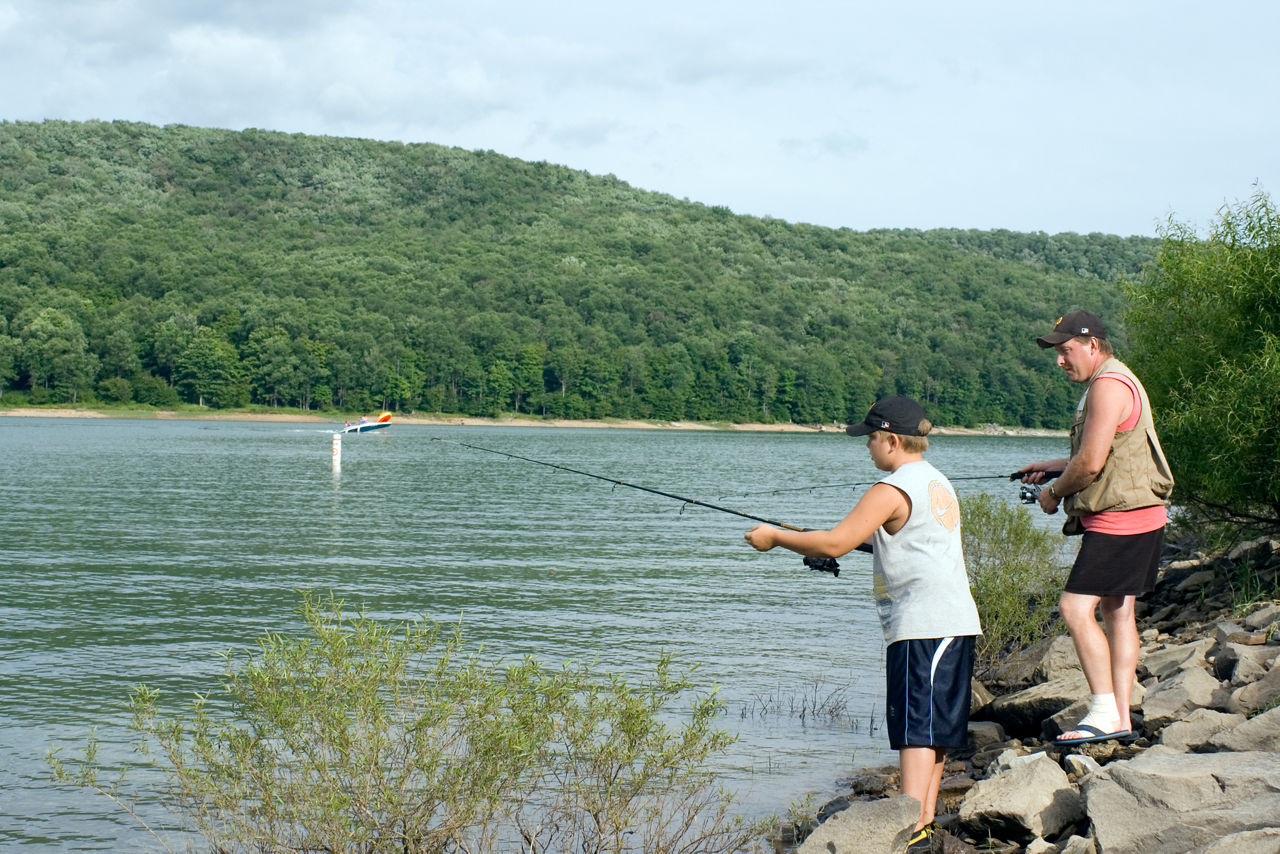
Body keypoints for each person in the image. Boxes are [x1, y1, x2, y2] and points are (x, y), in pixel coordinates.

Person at [745, 395, 981, 853]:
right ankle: (924, 822)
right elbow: (903, 542)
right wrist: (805, 538)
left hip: (923, 625)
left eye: (870, 438)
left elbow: (835, 542)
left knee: (915, 729)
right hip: (955, 622)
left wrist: (774, 537)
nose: (867, 447)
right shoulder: (937, 483)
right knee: (935, 730)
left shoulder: (889, 488)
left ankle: (907, 825)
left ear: (891, 439)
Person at [1017, 310, 1174, 747]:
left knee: (1074, 609)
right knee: (1117, 612)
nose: (1060, 361)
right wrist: (1053, 466)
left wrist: (1052, 496)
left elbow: (1090, 464)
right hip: (1139, 517)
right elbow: (1107, 453)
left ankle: (1104, 711)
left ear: (1092, 345)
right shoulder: (1116, 379)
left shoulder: (1106, 386)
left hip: (1121, 522)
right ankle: (1120, 714)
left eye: (1066, 351)